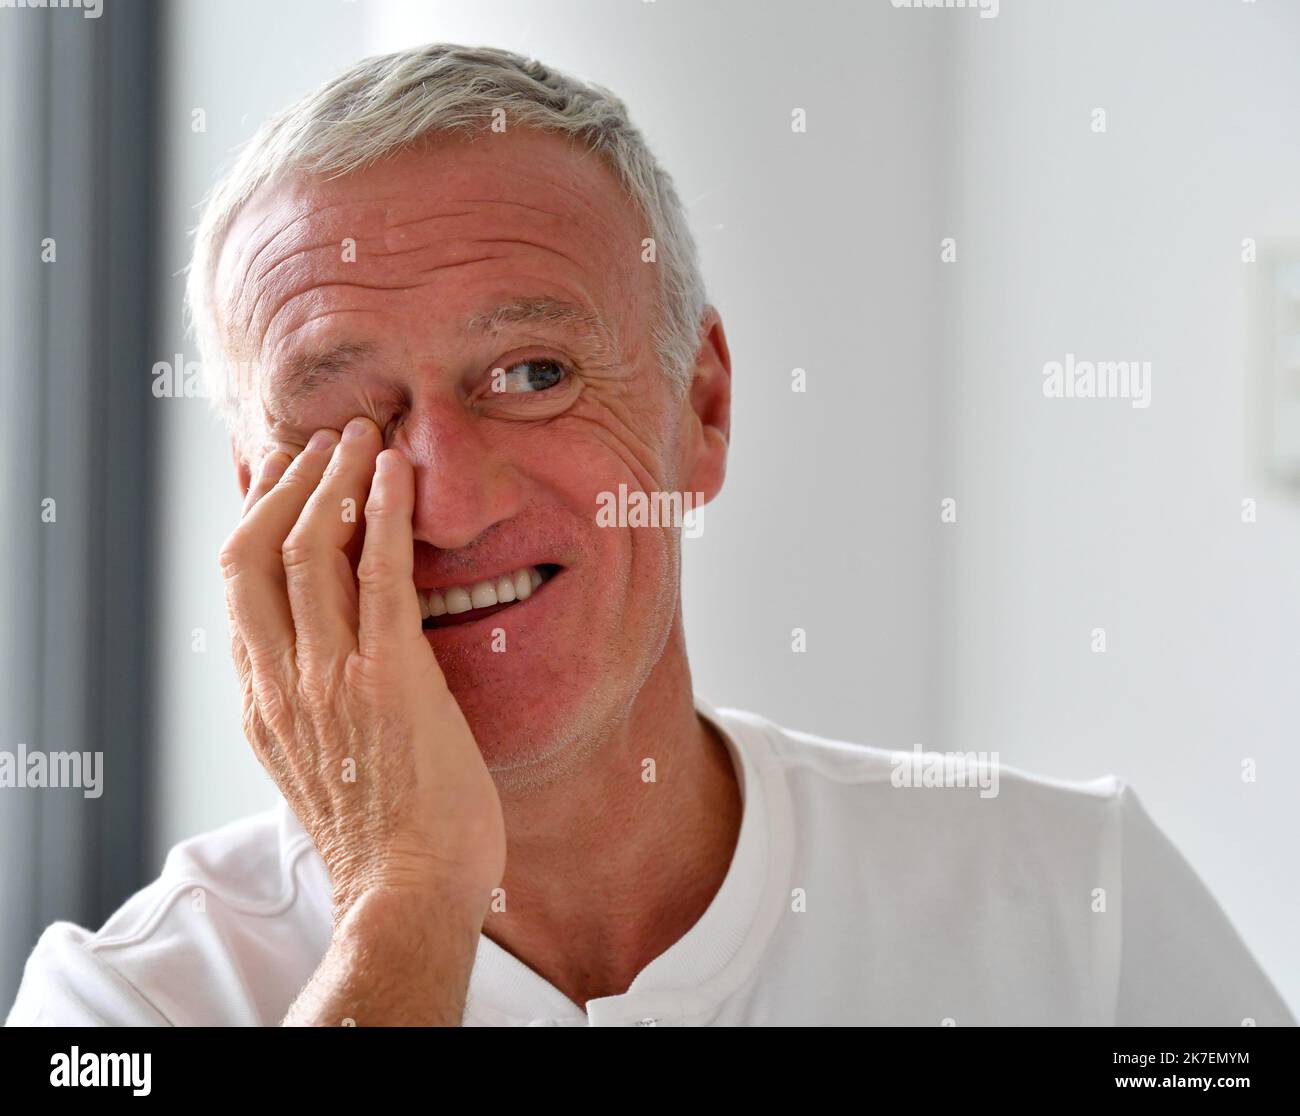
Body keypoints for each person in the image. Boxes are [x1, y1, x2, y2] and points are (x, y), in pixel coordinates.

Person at [7, 43, 1293, 1027]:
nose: (448, 504)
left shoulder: (1078, 909)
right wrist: (404, 900)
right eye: (346, 420)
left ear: (703, 409)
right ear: (259, 508)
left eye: (534, 373)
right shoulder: (121, 1008)